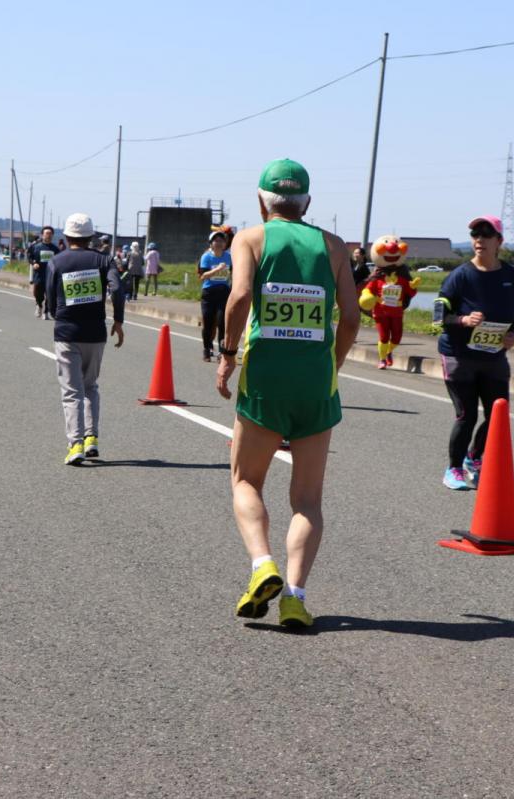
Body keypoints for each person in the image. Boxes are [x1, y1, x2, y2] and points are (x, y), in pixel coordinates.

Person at [216, 159, 359, 629]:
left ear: (261, 201)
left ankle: (263, 566)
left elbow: (238, 298)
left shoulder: (251, 239)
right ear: (308, 204)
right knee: (308, 500)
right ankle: (295, 598)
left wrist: (228, 354)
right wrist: (331, 365)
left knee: (245, 481)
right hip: (316, 381)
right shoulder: (333, 246)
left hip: (265, 380)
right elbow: (353, 317)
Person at [433, 215, 514, 491]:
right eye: (475, 235)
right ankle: (454, 468)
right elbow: (438, 315)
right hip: (459, 355)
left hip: (493, 356)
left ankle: (474, 458)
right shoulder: (460, 275)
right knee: (467, 415)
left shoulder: (510, 275)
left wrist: (512, 335)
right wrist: (463, 321)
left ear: (499, 242)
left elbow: (512, 312)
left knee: (497, 415)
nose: (479, 240)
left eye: (486, 234)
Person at [45, 213, 124, 465]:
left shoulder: (57, 261)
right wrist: (119, 321)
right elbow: (118, 290)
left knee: (71, 391)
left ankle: (75, 444)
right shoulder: (104, 259)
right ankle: (91, 438)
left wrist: (55, 313)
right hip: (96, 333)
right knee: (90, 386)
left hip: (67, 332)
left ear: (66, 237)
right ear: (90, 237)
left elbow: (49, 297)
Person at [359, 235, 419, 369]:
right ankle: (382, 360)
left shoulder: (403, 277)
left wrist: (413, 287)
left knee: (397, 339)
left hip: (397, 312)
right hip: (380, 312)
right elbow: (367, 290)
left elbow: (410, 293)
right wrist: (367, 297)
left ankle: (388, 351)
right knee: (384, 337)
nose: (392, 248)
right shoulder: (377, 276)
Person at [198, 229, 232, 361]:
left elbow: (233, 273)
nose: (218, 243)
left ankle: (221, 352)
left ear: (225, 244)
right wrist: (217, 269)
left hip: (223, 292)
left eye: (221, 240)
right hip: (209, 293)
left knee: (222, 322)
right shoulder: (206, 257)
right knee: (207, 322)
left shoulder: (228, 257)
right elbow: (203, 276)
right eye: (216, 240)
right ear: (211, 243)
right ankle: (207, 349)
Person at [28, 226, 58, 319]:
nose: (48, 235)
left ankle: (46, 312)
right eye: (47, 233)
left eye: (50, 234)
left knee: (50, 294)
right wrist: (34, 263)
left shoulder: (55, 249)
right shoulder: (35, 247)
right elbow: (29, 256)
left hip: (50, 274)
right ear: (42, 235)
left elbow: (59, 260)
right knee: (38, 293)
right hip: (39, 274)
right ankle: (39, 305)